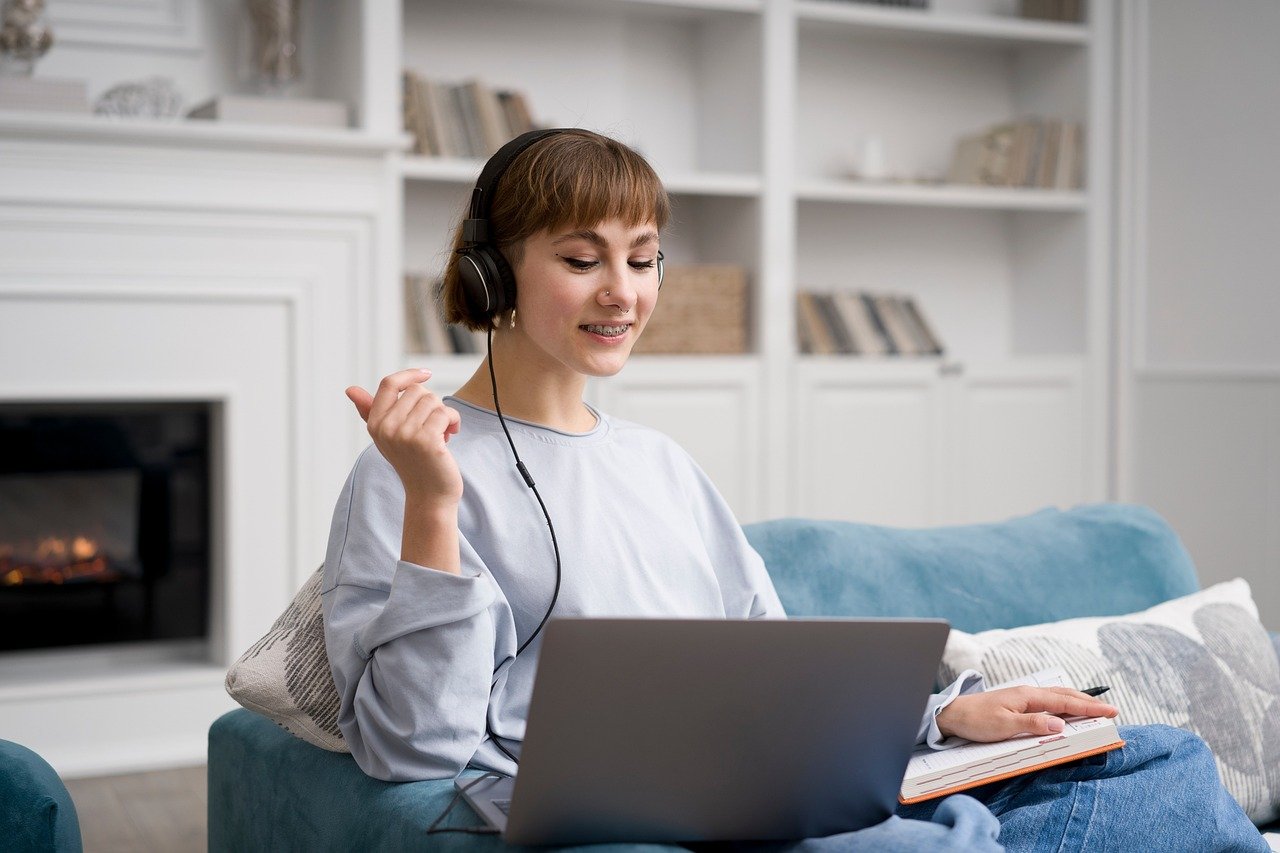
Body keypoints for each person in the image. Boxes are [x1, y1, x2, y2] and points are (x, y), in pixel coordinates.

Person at [320, 129, 1266, 851]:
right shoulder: (410, 471)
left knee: (1163, 761)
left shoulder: (659, 464)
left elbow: (776, 672)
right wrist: (433, 506)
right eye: (581, 259)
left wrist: (939, 718)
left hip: (767, 774)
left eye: (642, 258)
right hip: (658, 803)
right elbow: (412, 750)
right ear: (493, 278)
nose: (623, 292)